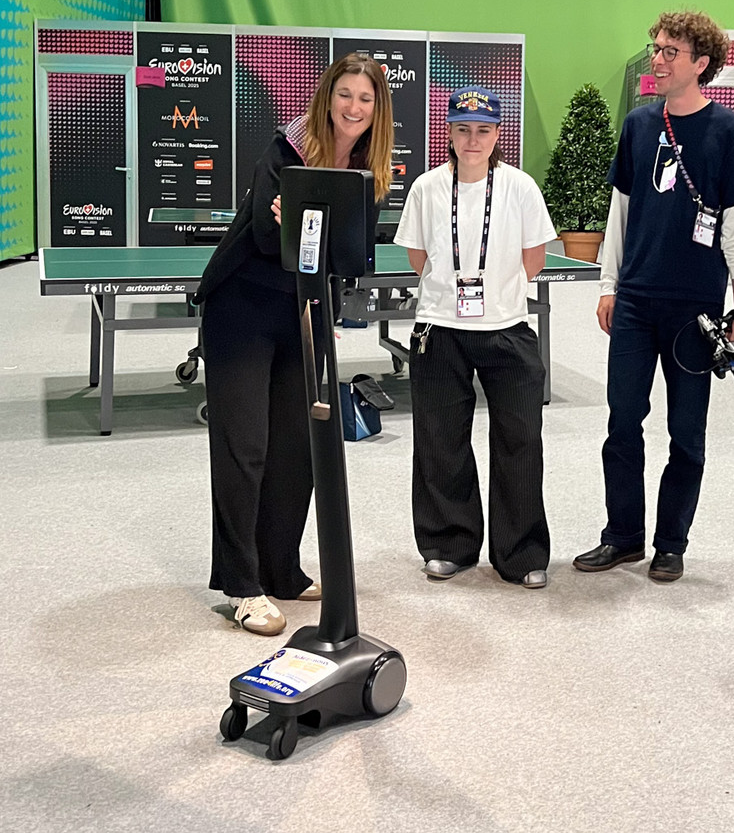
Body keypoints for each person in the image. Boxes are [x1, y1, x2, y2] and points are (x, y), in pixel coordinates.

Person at [195, 54, 395, 634]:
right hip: (242, 307)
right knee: (244, 448)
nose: (353, 108)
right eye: (345, 95)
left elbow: (352, 256)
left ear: (378, 109)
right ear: (328, 96)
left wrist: (309, 225)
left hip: (304, 313)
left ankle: (281, 569)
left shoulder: (369, 169)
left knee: (296, 450)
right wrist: (301, 224)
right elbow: (266, 234)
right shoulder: (288, 148)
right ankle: (242, 585)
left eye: (365, 99)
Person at [574, 10, 734, 584]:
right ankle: (622, 536)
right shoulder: (637, 124)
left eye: (670, 51)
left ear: (701, 63)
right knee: (622, 422)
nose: (657, 59)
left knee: (687, 431)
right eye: (656, 48)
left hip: (696, 311)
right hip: (634, 301)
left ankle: (671, 543)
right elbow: (620, 212)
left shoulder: (730, 134)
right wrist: (608, 286)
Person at [394, 89, 556, 589]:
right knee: (440, 440)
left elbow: (534, 259)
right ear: (448, 131)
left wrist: (497, 294)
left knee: (520, 440)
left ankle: (521, 553)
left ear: (497, 134)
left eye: (483, 130)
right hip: (440, 327)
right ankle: (448, 545)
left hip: (506, 327)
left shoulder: (520, 187)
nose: (472, 139)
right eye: (463, 128)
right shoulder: (426, 187)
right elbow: (417, 258)